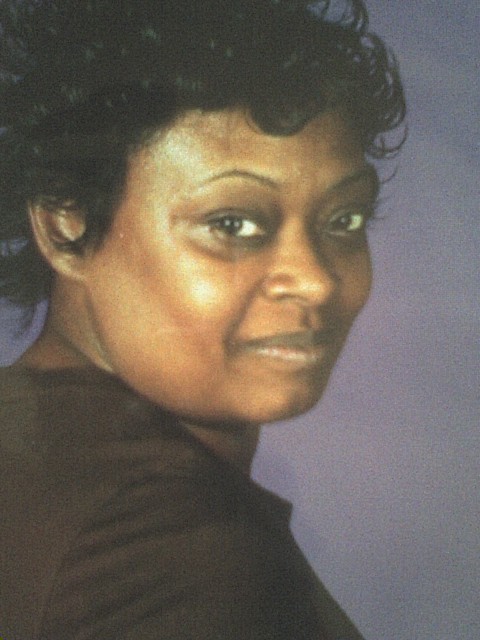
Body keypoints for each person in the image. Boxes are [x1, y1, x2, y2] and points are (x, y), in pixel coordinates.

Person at [0, 1, 405, 638]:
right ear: (65, 225)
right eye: (232, 224)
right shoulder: (173, 549)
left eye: (344, 220)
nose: (316, 280)